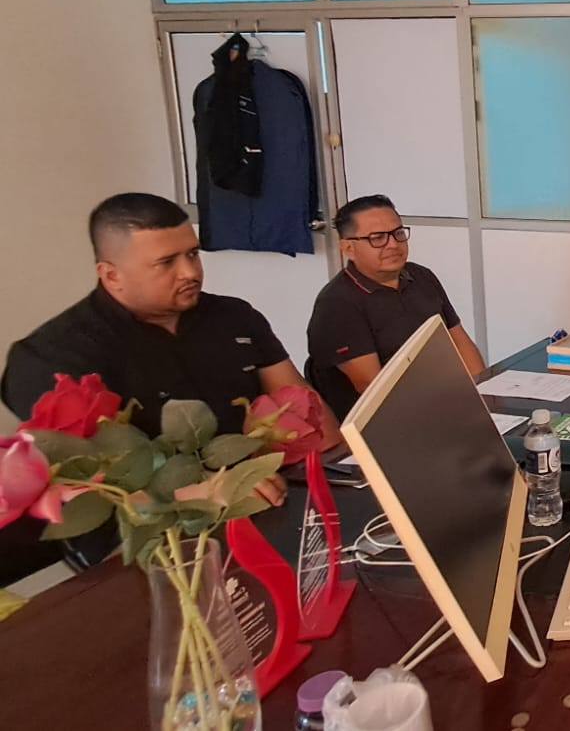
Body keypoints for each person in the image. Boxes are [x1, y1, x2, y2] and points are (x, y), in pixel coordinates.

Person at [2, 193, 340, 565]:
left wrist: (346, 472)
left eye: (192, 254)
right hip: (146, 547)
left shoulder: (234, 317)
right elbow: (84, 491)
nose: (190, 272)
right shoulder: (51, 357)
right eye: (167, 263)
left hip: (269, 507)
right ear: (111, 275)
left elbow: (306, 409)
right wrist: (207, 492)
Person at [305, 195, 485, 419]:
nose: (393, 244)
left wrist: (482, 396)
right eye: (377, 238)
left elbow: (460, 343)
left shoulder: (420, 276)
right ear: (348, 248)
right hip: (385, 421)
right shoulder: (337, 304)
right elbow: (373, 388)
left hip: (441, 401)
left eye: (398, 233)